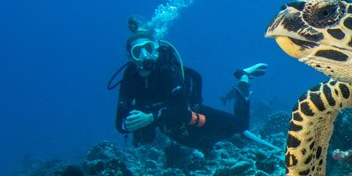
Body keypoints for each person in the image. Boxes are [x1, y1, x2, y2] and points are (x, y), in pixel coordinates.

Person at [113, 17, 267, 153]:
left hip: (191, 109)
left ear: (156, 49)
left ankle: (243, 77)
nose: (144, 55)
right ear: (130, 57)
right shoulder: (129, 78)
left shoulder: (168, 69)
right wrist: (129, 124)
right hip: (171, 124)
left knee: (241, 125)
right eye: (137, 52)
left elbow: (180, 108)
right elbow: (119, 123)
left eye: (148, 48)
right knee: (203, 144)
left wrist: (150, 117)